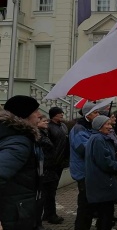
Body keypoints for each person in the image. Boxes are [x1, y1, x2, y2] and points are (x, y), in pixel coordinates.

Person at [0, 95, 43, 229]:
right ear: (24, 115)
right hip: (15, 216)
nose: (40, 115)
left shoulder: (18, 136)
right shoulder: (19, 142)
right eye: (36, 111)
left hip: (19, 211)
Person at [85, 115, 117, 230]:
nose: (110, 127)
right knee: (105, 214)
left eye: (110, 124)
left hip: (101, 181)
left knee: (104, 214)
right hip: (102, 182)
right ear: (99, 127)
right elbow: (105, 161)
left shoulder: (98, 138)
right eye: (108, 124)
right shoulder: (98, 139)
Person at [70, 101, 100, 230]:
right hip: (83, 171)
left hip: (89, 171)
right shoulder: (79, 128)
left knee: (90, 204)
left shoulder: (90, 127)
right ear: (87, 114)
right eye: (95, 112)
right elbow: (83, 149)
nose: (98, 114)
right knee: (85, 204)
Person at [43, 106, 69, 224]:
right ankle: (50, 214)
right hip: (51, 164)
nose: (62, 114)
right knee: (50, 191)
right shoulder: (48, 127)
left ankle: (48, 213)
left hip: (60, 163)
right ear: (54, 115)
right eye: (60, 113)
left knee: (52, 190)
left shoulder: (63, 126)